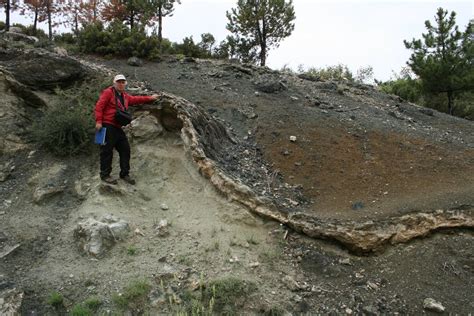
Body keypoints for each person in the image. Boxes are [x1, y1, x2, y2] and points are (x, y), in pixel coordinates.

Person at [95, 74, 160, 185]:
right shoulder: (108, 92)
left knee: (125, 149)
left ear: (125, 83)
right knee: (106, 151)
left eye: (123, 82)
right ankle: (105, 175)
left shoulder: (124, 96)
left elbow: (136, 99)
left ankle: (124, 174)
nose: (121, 84)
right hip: (107, 125)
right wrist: (99, 121)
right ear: (114, 83)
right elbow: (99, 106)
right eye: (118, 82)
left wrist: (150, 98)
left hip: (117, 127)